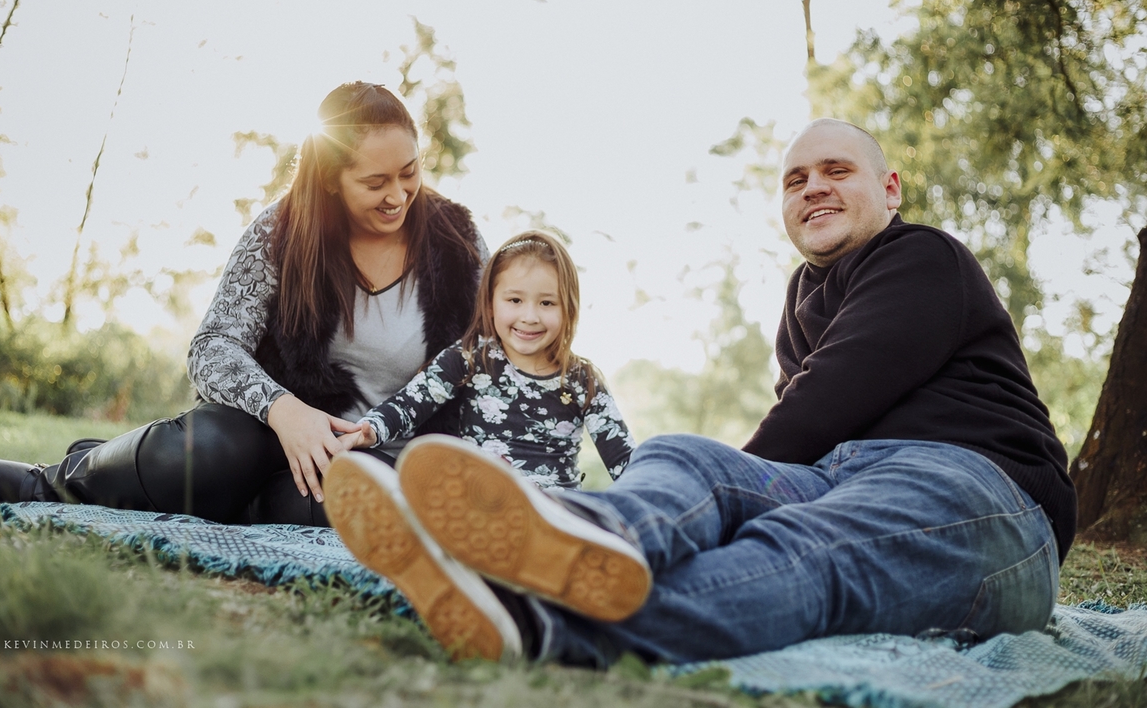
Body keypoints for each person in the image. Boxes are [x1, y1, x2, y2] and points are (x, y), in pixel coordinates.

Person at [321, 118, 1077, 665]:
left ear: (889, 187)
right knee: (685, 455)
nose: (813, 186)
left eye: (836, 171)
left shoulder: (922, 256)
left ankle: (536, 620)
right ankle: (564, 537)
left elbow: (831, 396)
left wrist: (739, 496)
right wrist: (720, 484)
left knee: (801, 549)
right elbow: (804, 429)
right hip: (842, 476)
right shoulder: (802, 297)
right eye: (795, 179)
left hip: (982, 500)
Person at [0, 82, 487, 526]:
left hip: (385, 458)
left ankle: (207, 492)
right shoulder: (281, 231)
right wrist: (286, 411)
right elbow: (211, 349)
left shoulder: (457, 241)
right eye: (375, 182)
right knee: (215, 452)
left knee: (369, 506)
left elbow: (493, 359)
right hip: (267, 442)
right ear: (329, 178)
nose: (398, 195)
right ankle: (46, 484)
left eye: (410, 171)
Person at [340, 230, 635, 490]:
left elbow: (625, 463)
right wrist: (370, 430)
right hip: (482, 504)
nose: (529, 317)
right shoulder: (471, 356)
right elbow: (410, 403)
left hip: (553, 513)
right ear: (491, 303)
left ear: (567, 308)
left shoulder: (583, 379)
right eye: (515, 300)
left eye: (547, 303)